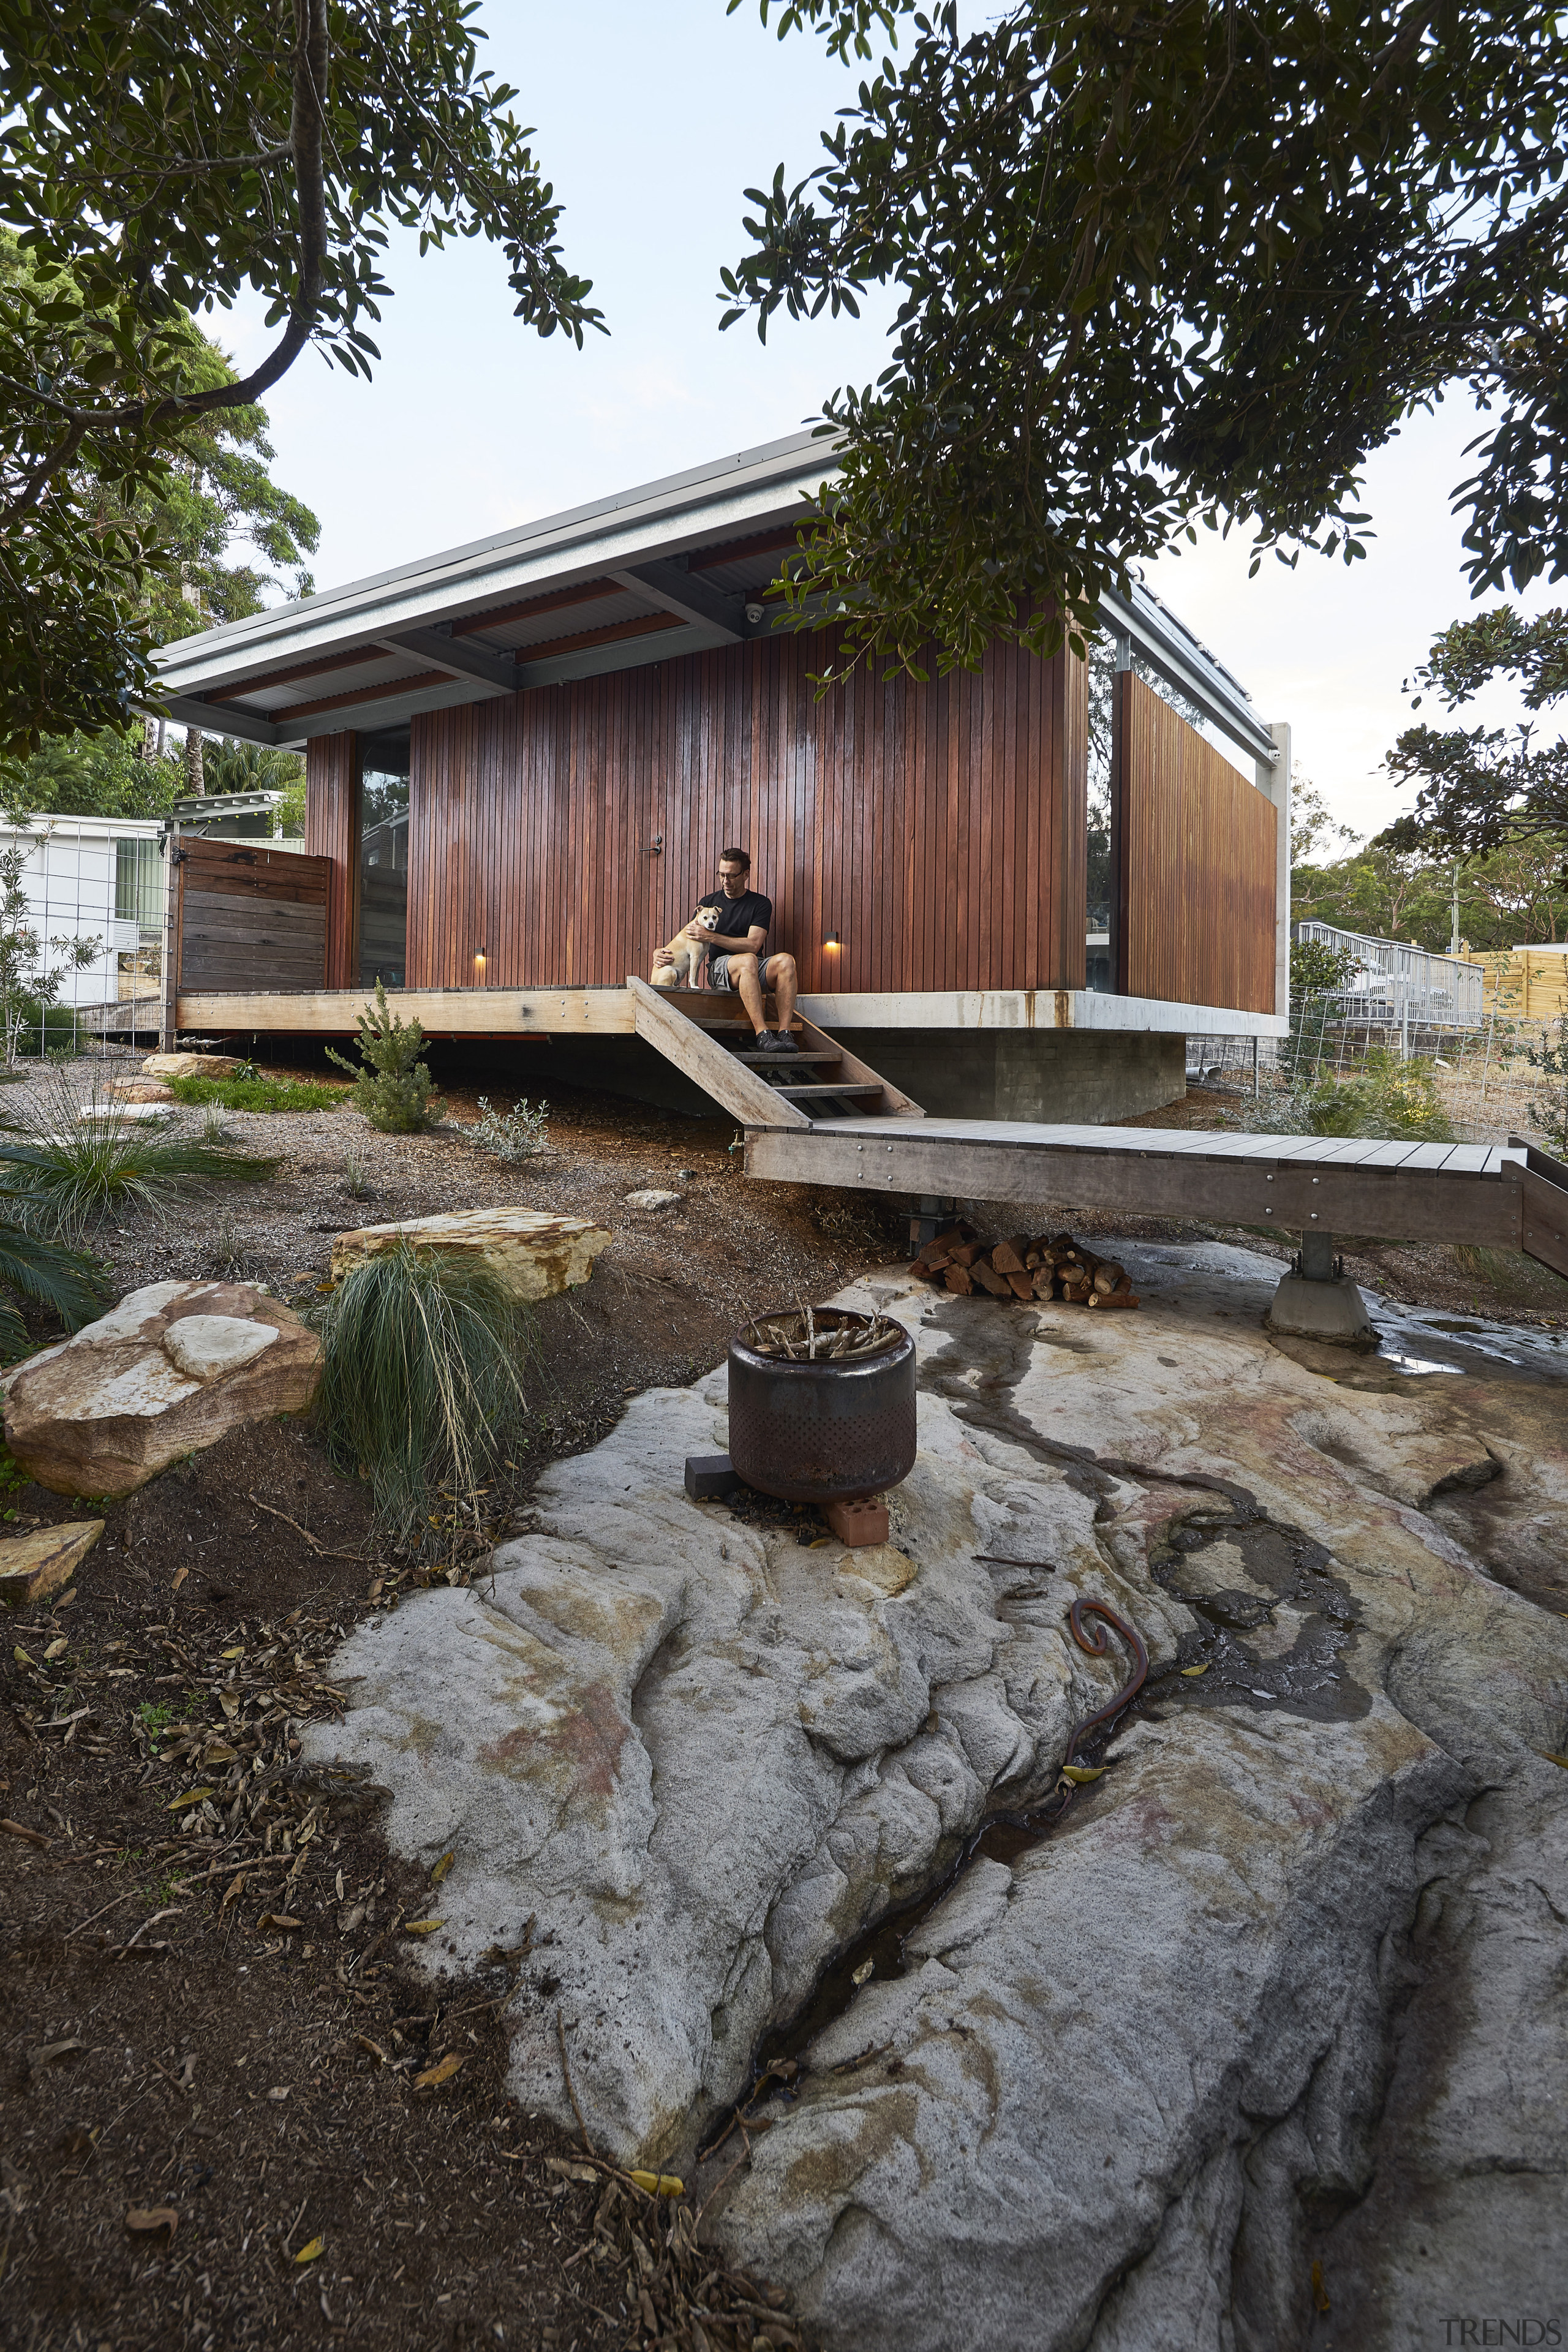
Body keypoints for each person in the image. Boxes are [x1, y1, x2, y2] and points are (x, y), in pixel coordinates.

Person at [651, 846, 799, 1052]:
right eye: (721, 875)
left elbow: (753, 945)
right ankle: (763, 1034)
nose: (725, 881)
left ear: (746, 875)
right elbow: (686, 939)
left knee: (786, 961)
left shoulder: (760, 903)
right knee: (748, 960)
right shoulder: (708, 904)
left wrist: (711, 936)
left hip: (754, 966)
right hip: (721, 970)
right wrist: (658, 951)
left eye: (731, 875)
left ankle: (785, 1032)